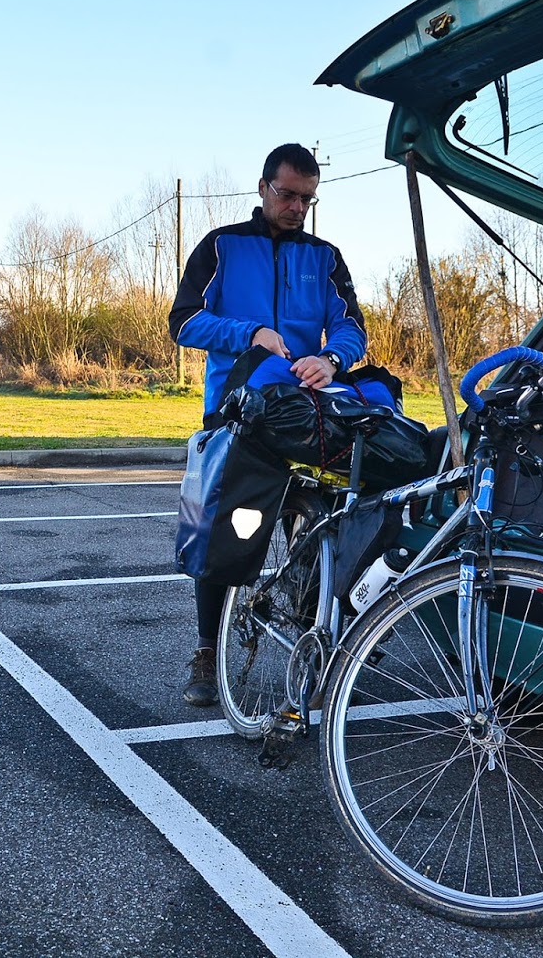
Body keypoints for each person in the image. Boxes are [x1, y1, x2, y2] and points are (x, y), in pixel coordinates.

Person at [167, 143, 367, 707]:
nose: (297, 206)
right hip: (236, 411)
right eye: (287, 194)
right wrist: (249, 334)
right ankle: (208, 650)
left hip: (305, 415)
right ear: (262, 188)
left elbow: (353, 328)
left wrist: (331, 361)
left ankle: (316, 647)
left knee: (318, 536)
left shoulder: (325, 257)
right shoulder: (221, 247)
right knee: (219, 533)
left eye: (307, 198)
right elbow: (183, 322)